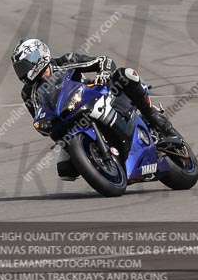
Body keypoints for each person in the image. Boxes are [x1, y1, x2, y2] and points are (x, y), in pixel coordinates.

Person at [11, 38, 173, 181]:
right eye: (19, 68)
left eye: (25, 64)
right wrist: (44, 125)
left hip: (94, 97)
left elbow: (104, 61)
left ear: (38, 57)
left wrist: (104, 72)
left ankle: (151, 114)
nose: (23, 71)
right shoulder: (28, 93)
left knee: (124, 75)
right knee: (66, 170)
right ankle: (103, 161)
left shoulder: (65, 62)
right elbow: (39, 115)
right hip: (68, 122)